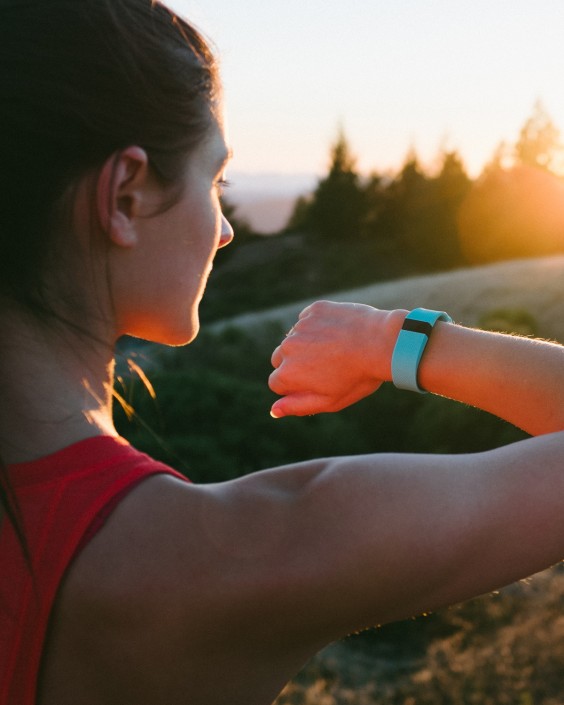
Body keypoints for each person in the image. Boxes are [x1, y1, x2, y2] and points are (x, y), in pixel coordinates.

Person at [0, 1, 562, 704]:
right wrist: (400, 342)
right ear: (126, 196)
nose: (226, 229)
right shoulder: (229, 555)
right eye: (216, 182)